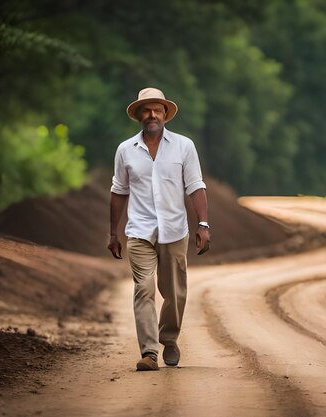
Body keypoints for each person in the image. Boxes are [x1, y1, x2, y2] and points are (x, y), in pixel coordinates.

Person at [108, 87, 210, 371]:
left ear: (165, 114)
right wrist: (113, 233)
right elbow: (119, 191)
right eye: (146, 110)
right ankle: (149, 352)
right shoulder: (125, 150)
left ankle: (169, 338)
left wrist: (203, 224)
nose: (151, 114)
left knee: (175, 293)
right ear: (139, 115)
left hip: (175, 230)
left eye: (157, 110)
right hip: (138, 231)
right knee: (144, 288)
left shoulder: (183, 146)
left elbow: (195, 186)